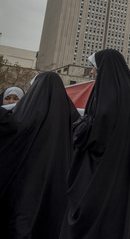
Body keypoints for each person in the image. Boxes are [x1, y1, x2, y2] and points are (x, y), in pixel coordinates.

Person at [60, 49, 130, 239]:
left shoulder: (110, 94)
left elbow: (96, 136)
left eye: (94, 67)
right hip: (119, 176)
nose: (92, 72)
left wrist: (80, 128)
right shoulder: (127, 91)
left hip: (99, 174)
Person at [0, 72, 79, 238]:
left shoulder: (27, 114)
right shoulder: (71, 115)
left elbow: (12, 127)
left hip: (28, 181)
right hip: (60, 182)